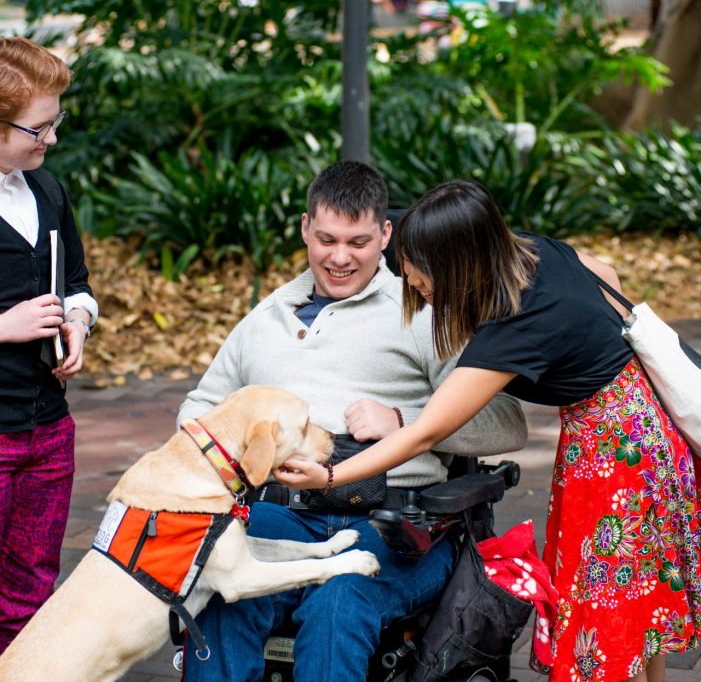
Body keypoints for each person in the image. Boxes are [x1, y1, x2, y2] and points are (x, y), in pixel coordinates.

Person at [278, 179, 701, 682]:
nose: (410, 282)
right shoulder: (525, 252)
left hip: (616, 451)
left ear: (453, 263)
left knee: (604, 604)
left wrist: (330, 478)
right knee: (635, 601)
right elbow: (603, 272)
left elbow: (424, 435)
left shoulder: (513, 325)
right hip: (641, 425)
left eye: (418, 276)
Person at [177, 161, 527, 681]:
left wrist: (406, 422)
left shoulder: (424, 310)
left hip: (390, 523)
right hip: (281, 514)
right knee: (226, 591)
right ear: (304, 229)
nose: (340, 258)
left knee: (339, 605)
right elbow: (198, 410)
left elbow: (507, 422)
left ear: (386, 235)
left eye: (359, 242)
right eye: (327, 239)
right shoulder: (267, 317)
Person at [0, 37, 98, 653]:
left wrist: (79, 321)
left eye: (55, 122)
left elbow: (80, 285)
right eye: (39, 128)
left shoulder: (46, 191)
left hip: (48, 429)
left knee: (32, 586)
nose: (51, 140)